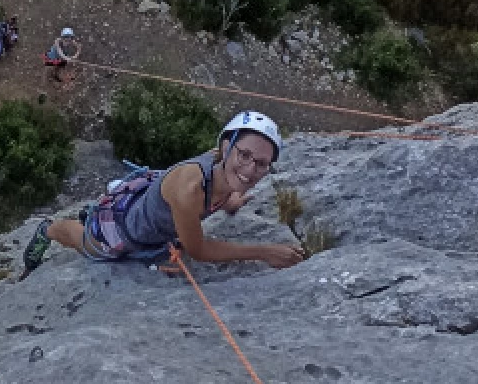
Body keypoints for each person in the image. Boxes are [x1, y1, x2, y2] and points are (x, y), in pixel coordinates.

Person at [22, 111, 305, 275]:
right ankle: (47, 230)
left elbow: (221, 186)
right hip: (121, 232)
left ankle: (87, 219)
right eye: (244, 155)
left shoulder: (220, 167)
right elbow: (199, 249)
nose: (250, 168)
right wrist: (264, 252)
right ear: (226, 146)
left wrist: (230, 201)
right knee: (88, 245)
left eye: (261, 163)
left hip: (152, 221)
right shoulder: (189, 189)